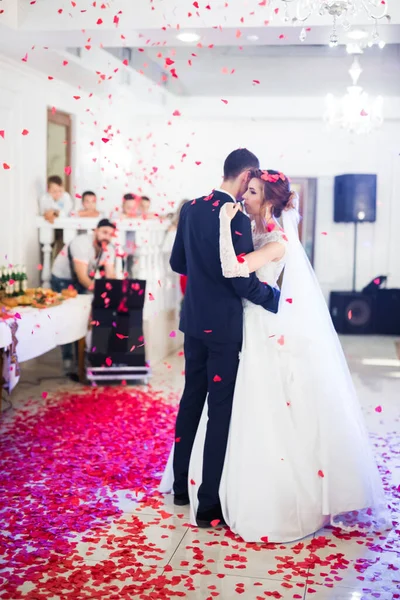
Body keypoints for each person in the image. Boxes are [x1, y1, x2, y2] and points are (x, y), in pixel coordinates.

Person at [162, 168, 389, 542]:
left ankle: (258, 492)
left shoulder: (277, 241)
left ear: (268, 201)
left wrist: (222, 225)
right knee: (231, 407)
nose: (244, 196)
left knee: (257, 405)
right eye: (246, 189)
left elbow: (235, 268)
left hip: (259, 326)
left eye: (251, 192)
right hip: (243, 322)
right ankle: (214, 489)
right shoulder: (251, 229)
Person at [161, 149, 280, 528]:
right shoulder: (238, 220)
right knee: (219, 412)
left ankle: (181, 488)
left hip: (193, 321)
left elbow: (178, 263)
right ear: (246, 176)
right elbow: (242, 279)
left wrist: (202, 271)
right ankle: (208, 503)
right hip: (224, 330)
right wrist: (275, 299)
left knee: (191, 400)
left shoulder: (192, 208)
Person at [51, 218, 116, 375]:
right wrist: (102, 293)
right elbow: (82, 278)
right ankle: (68, 361)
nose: (107, 236)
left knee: (83, 318)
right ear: (95, 231)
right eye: (104, 232)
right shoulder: (82, 244)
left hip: (83, 280)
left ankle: (82, 360)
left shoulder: (109, 248)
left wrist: (114, 294)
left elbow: (110, 277)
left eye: (110, 234)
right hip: (63, 279)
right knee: (68, 319)